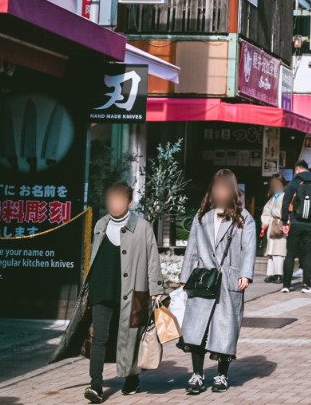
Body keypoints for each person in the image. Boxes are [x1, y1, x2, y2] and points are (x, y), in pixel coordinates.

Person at [63, 182, 165, 403]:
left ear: (129, 203)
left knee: (129, 337)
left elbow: (152, 260)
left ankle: (131, 378)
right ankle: (96, 385)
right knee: (99, 338)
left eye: (119, 199)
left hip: (133, 292)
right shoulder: (100, 224)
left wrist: (156, 289)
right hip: (102, 290)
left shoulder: (143, 227)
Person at [180, 170, 256, 395]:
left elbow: (249, 247)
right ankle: (197, 375)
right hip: (203, 280)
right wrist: (185, 278)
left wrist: (245, 274)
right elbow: (191, 249)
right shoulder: (202, 216)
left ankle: (222, 375)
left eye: (224, 188)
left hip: (227, 281)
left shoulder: (243, 218)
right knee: (197, 331)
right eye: (217, 188)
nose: (220, 192)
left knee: (225, 330)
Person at [280, 160, 311, 293]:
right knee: (308, 254)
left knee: (290, 254)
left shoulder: (294, 183)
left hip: (295, 224)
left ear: (297, 170)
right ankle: (306, 285)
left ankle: (286, 285)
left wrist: (285, 222)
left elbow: (285, 203)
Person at [259, 176, 288, 284]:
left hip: (279, 224)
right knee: (271, 253)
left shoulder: (285, 197)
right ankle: (270, 273)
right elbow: (266, 211)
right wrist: (265, 223)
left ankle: (279, 273)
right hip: (272, 225)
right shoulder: (274, 197)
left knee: (278, 252)